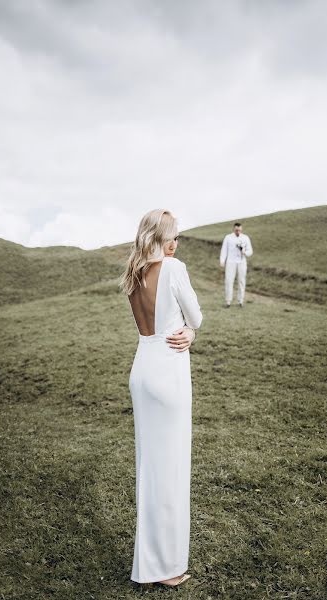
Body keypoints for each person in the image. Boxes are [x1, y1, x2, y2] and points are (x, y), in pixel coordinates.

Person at [119, 209, 203, 589]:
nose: (177, 241)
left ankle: (149, 565)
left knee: (150, 470)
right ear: (163, 237)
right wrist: (190, 331)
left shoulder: (134, 273)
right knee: (169, 472)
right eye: (174, 235)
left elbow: (160, 324)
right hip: (168, 372)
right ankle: (166, 568)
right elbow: (196, 318)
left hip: (142, 368)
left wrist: (185, 329)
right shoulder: (173, 267)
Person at [219, 222, 253, 307]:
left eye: (239, 230)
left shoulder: (245, 238)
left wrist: (244, 252)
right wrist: (222, 260)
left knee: (241, 281)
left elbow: (250, 251)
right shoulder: (228, 237)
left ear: (241, 229)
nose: (238, 231)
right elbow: (224, 250)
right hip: (231, 262)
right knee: (229, 281)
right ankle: (228, 301)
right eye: (236, 230)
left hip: (242, 262)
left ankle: (240, 301)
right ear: (234, 229)